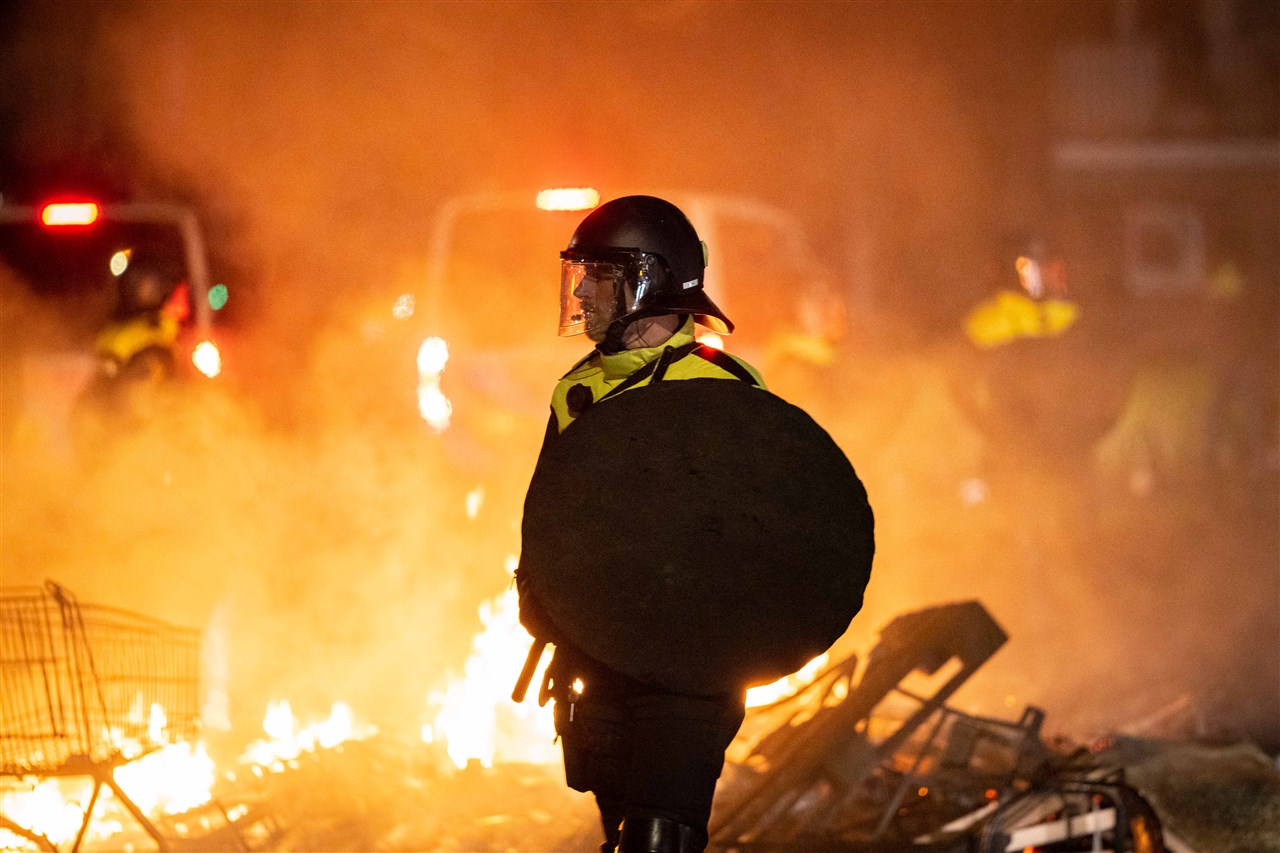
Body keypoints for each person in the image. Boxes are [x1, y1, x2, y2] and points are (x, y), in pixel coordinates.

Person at [516, 196, 766, 853]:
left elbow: (767, 533)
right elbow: (548, 518)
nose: (583, 294)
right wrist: (541, 599)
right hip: (599, 669)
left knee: (661, 838)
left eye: (597, 276)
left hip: (689, 672)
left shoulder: (724, 389)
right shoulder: (577, 391)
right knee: (623, 833)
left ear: (646, 281)